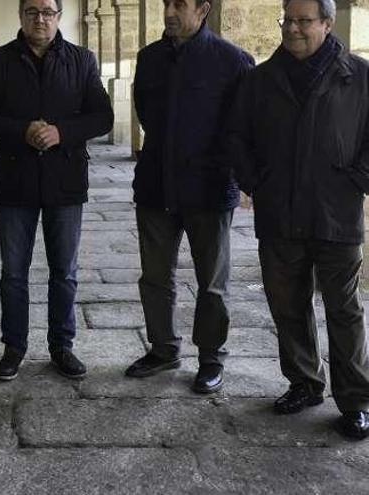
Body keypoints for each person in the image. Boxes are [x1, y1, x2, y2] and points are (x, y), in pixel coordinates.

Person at [228, 0, 369, 439]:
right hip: (280, 213)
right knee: (287, 305)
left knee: (343, 309)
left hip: (336, 213)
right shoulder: (260, 79)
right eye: (287, 20)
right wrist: (257, 181)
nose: (292, 28)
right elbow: (236, 136)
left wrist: (357, 181)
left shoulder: (360, 76)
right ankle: (305, 383)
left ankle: (356, 401)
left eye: (303, 21)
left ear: (327, 23)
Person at [0, 0, 113, 381]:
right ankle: (14, 347)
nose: (40, 18)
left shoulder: (82, 60)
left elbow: (102, 116)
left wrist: (61, 132)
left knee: (64, 271)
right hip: (15, 182)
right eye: (32, 11)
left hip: (65, 182)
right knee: (13, 272)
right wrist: (22, 130)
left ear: (59, 16)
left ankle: (62, 346)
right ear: (21, 16)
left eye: (48, 11)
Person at [125, 0, 254, 394]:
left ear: (203, 9)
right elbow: (145, 112)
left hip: (209, 190)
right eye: (166, 3)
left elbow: (242, 126)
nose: (169, 11)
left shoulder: (233, 60)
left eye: (179, 4)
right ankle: (163, 349)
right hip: (155, 186)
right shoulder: (149, 58)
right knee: (154, 278)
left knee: (212, 282)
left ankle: (211, 359)